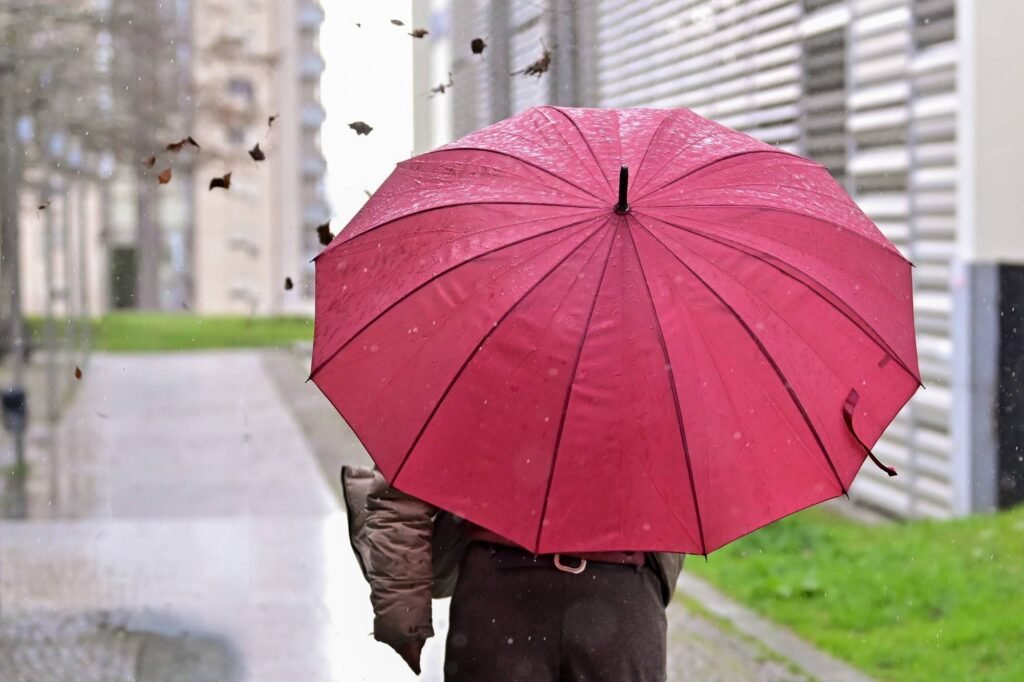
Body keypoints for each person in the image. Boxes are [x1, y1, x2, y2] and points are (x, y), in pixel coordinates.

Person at [342, 466, 684, 681]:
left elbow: (403, 493)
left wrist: (404, 614)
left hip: (499, 597)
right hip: (621, 598)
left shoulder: (478, 358)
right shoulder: (667, 367)